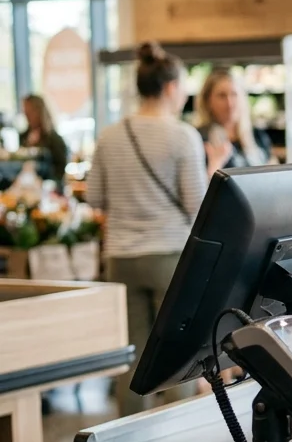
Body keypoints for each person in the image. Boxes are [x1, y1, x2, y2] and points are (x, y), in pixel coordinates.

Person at [88, 42, 228, 416]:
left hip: (120, 258)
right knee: (173, 354)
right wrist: (211, 167)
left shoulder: (109, 135)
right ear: (169, 88)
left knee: (131, 354)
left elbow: (94, 197)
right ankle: (172, 439)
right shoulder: (182, 136)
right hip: (169, 258)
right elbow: (197, 205)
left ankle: (127, 441)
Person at [195, 67, 270, 169]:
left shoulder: (258, 135)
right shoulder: (199, 139)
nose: (229, 103)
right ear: (207, 101)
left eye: (234, 94)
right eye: (222, 96)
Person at [19, 94, 69, 180]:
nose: (26, 115)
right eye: (25, 112)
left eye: (30, 111)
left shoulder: (54, 139)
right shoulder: (23, 136)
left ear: (39, 111)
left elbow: (60, 168)